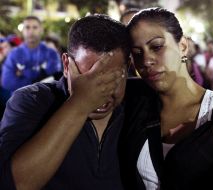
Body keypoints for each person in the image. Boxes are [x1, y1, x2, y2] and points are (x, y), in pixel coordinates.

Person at [119, 7, 213, 190]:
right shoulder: (134, 105)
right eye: (137, 53)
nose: (146, 61)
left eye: (157, 46)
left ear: (182, 46)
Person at [0, 14, 130, 190]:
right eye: (88, 78)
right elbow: (13, 183)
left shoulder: (138, 103)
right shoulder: (31, 101)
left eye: (111, 79)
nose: (100, 91)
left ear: (127, 68)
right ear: (67, 66)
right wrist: (80, 103)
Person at [1, 16, 62, 93]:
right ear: (23, 30)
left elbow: (55, 80)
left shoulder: (51, 53)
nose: (31, 31)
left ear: (41, 30)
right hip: (19, 102)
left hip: (45, 101)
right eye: (27, 27)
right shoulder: (14, 54)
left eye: (35, 27)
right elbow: (7, 82)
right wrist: (38, 77)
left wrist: (23, 73)